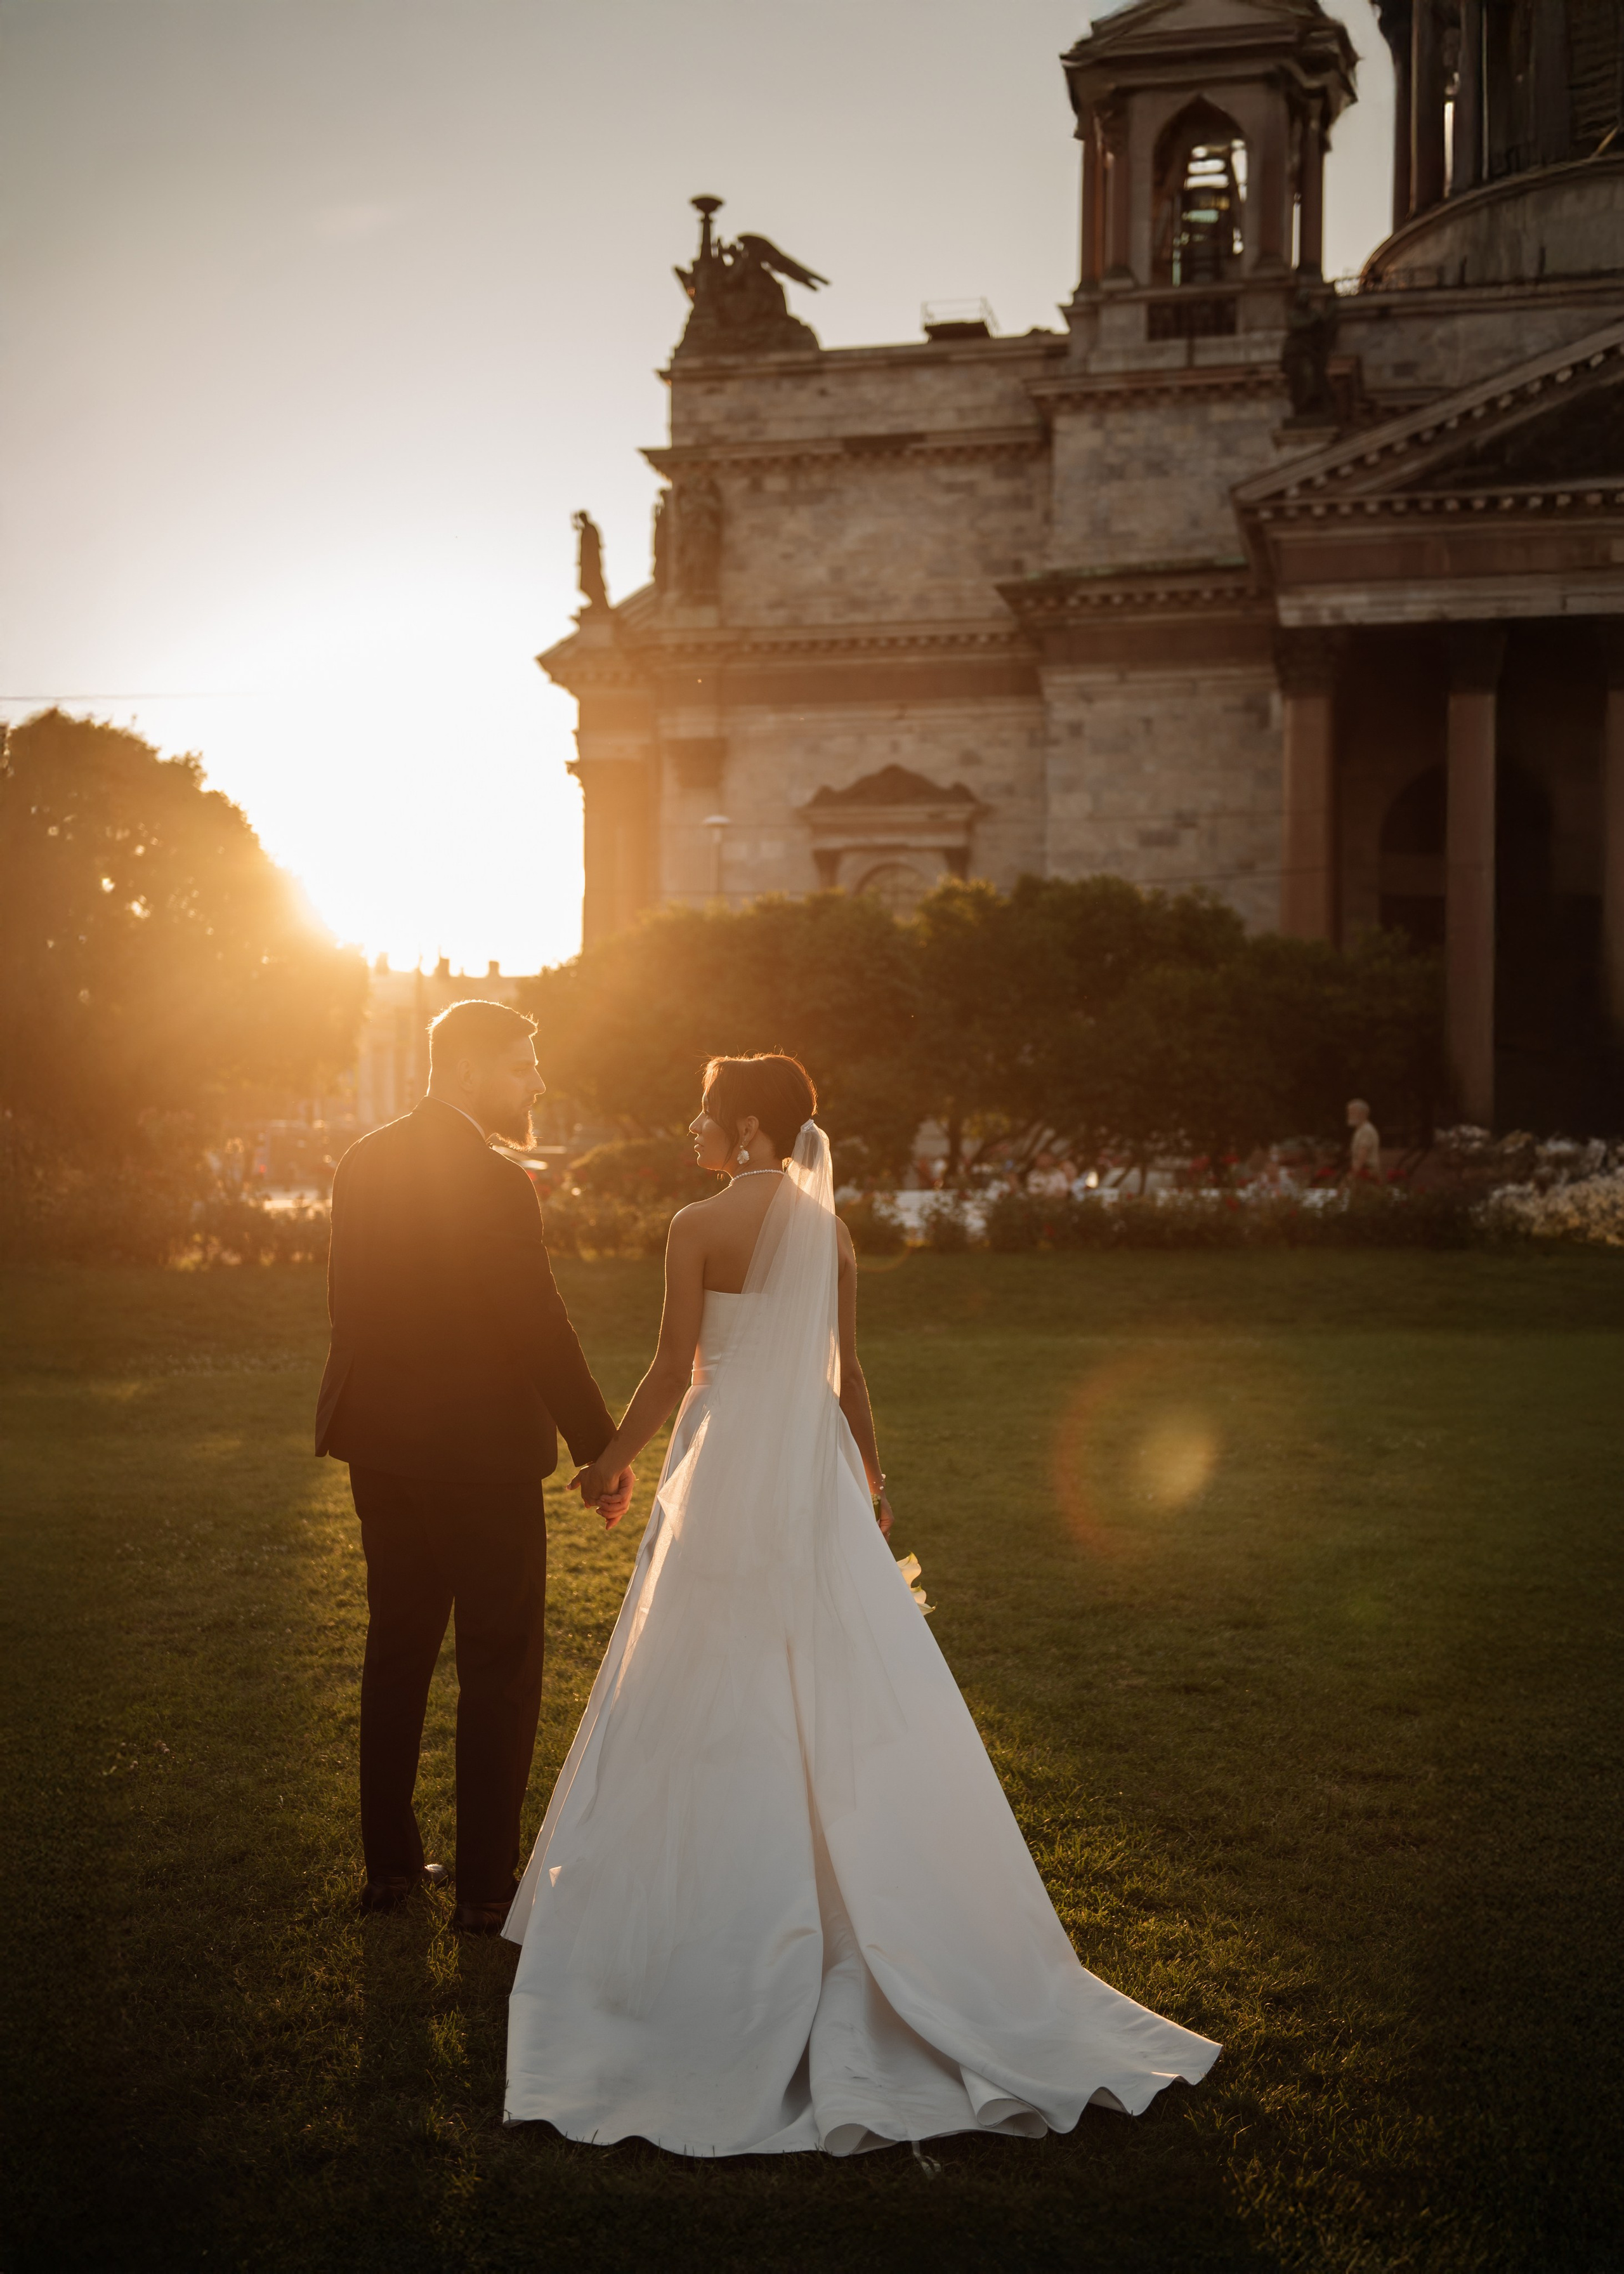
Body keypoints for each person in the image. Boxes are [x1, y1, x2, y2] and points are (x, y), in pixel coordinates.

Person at [504, 1051, 1218, 2155]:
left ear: (743, 1124)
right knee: (829, 1663)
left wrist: (606, 1462)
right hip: (810, 1467)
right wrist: (871, 1482)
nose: (690, 1124)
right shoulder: (827, 1232)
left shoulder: (698, 1222)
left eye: (702, 1109)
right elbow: (851, 1375)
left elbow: (666, 1367)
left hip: (727, 1456)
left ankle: (707, 1924)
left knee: (710, 1671)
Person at [315, 999, 634, 1934]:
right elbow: (537, 1321)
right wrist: (599, 1447)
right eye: (522, 1065)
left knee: (398, 1648)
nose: (536, 1082)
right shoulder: (494, 1180)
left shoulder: (362, 1161)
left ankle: (392, 1868)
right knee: (499, 1661)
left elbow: (348, 1307)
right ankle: (489, 1887)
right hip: (476, 1456)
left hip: (380, 1447)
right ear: (465, 1070)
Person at [1347, 1098, 1382, 1182]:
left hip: (1366, 1174)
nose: (1349, 1115)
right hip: (1364, 1173)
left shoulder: (1366, 1130)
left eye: (1353, 1112)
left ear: (1363, 1114)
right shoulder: (1361, 1130)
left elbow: (1363, 1155)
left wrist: (1352, 1176)